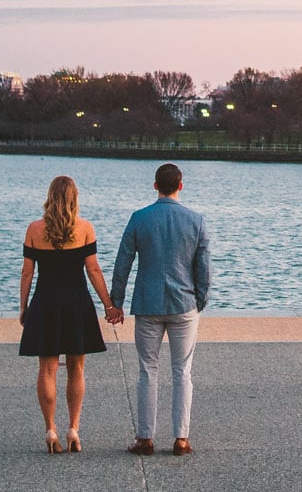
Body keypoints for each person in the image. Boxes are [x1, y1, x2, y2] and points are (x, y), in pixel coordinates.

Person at [107, 162, 212, 456]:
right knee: (182, 371)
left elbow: (123, 262)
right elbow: (203, 269)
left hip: (148, 304)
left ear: (155, 186)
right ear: (180, 185)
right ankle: (181, 438)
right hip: (184, 304)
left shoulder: (139, 218)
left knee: (147, 370)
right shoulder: (196, 221)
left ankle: (145, 438)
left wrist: (117, 301)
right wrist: (199, 301)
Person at [19, 174, 117, 454]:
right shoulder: (85, 228)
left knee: (47, 368)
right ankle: (73, 428)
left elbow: (28, 272)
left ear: (50, 197)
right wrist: (109, 305)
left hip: (46, 302)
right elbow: (93, 269)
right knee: (77, 368)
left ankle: (50, 429)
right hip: (76, 303)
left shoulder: (35, 229)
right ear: (75, 199)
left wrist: (23, 307)